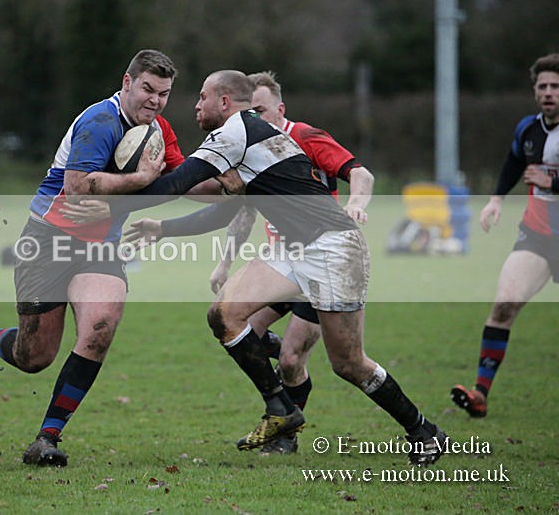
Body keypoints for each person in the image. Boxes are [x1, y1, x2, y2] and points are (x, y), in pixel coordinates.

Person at [66, 70, 447, 466]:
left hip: (334, 248)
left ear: (225, 102)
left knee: (349, 364)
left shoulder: (234, 134)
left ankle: (424, 430)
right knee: (224, 315)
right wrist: (162, 227)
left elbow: (178, 182)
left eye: (202, 97)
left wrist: (123, 196)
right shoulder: (250, 139)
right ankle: (281, 409)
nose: (196, 106)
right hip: (292, 249)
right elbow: (224, 212)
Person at [0, 49, 182, 467]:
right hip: (49, 241)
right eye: (147, 89)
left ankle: (47, 438)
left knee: (100, 327)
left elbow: (181, 180)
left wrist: (230, 177)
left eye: (164, 93)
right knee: (35, 356)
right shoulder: (99, 121)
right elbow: (79, 186)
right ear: (127, 82)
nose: (155, 100)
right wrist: (139, 181)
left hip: (100, 248)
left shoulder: (158, 130)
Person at [208, 71, 374, 454]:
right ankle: (282, 409)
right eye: (249, 111)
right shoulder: (251, 148)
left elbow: (361, 175)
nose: (254, 119)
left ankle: (285, 435)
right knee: (236, 324)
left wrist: (356, 203)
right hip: (282, 266)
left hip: (322, 264)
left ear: (280, 109)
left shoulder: (305, 138)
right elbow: (245, 213)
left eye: (262, 110)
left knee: (291, 360)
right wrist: (223, 264)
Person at [451, 53, 559, 418]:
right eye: (542, 86)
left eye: (555, 86)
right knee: (504, 305)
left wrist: (553, 181)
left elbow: (545, 177)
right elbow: (514, 162)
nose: (548, 92)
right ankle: (480, 393)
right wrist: (496, 200)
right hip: (539, 236)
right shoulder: (528, 129)